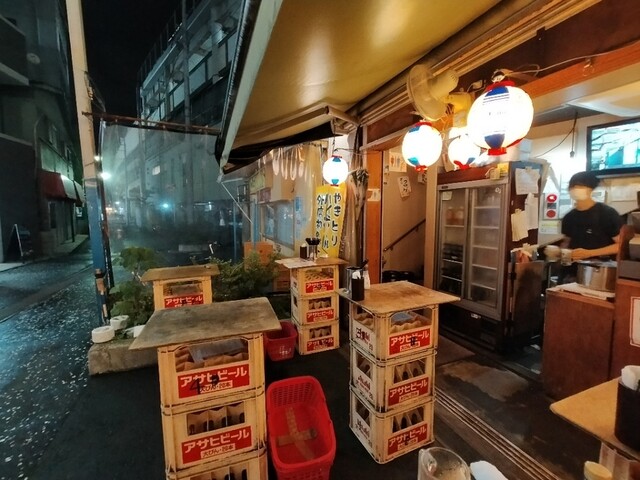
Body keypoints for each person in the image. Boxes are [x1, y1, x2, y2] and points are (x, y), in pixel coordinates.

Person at [561, 170, 623, 262]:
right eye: (572, 186)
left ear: (590, 189)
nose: (575, 189)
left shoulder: (606, 213)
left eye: (580, 186)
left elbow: (621, 245)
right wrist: (558, 252)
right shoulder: (569, 217)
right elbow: (567, 243)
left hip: (601, 267)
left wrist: (590, 253)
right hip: (575, 267)